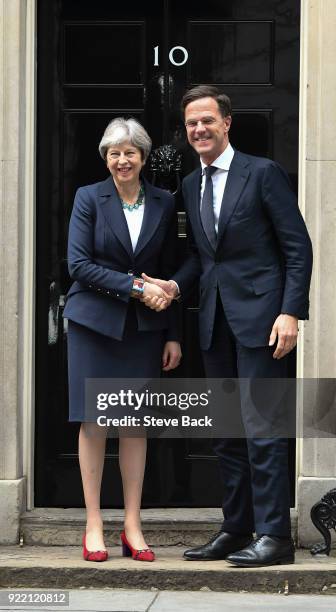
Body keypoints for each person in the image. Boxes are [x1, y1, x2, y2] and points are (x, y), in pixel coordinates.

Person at [142, 85, 313, 567]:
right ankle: (236, 529)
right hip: (213, 322)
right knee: (226, 433)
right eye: (192, 123)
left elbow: (297, 248)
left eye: (207, 121)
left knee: (263, 428)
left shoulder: (262, 174)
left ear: (227, 123)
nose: (199, 130)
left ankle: (274, 536)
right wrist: (175, 287)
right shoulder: (190, 187)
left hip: (263, 322)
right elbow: (201, 257)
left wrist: (290, 312)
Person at [63, 117, 181, 562]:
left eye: (130, 152)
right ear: (105, 158)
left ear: (144, 157)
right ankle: (93, 521)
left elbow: (173, 269)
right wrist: (135, 287)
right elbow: (79, 264)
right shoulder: (88, 198)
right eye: (114, 152)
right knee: (94, 422)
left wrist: (173, 333)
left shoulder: (165, 203)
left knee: (134, 424)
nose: (121, 159)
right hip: (94, 326)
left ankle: (132, 523)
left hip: (144, 330)